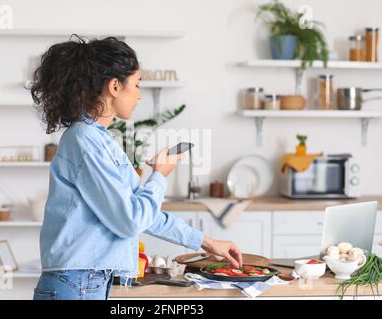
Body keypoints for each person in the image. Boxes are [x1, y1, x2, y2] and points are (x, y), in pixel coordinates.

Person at [31, 35, 242, 300]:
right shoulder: (85, 141)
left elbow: (141, 214)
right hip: (76, 285)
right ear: (115, 86)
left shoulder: (97, 139)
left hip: (83, 283)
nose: (139, 95)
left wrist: (208, 243)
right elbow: (130, 222)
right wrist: (159, 176)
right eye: (137, 84)